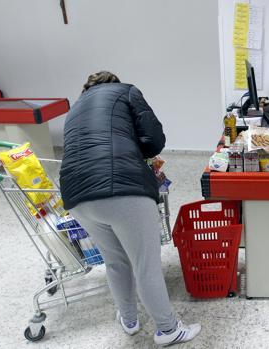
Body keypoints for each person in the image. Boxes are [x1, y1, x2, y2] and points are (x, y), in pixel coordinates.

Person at [59, 71, 201, 346]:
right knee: (145, 265)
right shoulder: (126, 91)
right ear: (114, 82)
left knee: (115, 261)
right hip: (123, 190)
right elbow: (154, 139)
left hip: (76, 196)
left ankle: (129, 319)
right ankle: (167, 329)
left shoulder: (75, 108)